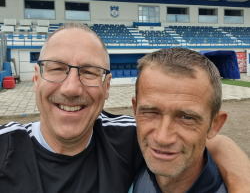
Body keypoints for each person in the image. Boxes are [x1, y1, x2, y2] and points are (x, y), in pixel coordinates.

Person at [0, 23, 249, 193]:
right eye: (56, 68)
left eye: (89, 72)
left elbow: (209, 139)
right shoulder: (5, 147)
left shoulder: (129, 137)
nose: (71, 88)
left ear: (107, 86)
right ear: (36, 78)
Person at [130, 48, 245, 192]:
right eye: (151, 112)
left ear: (214, 125)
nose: (162, 138)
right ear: (135, 110)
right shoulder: (123, 161)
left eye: (186, 117)